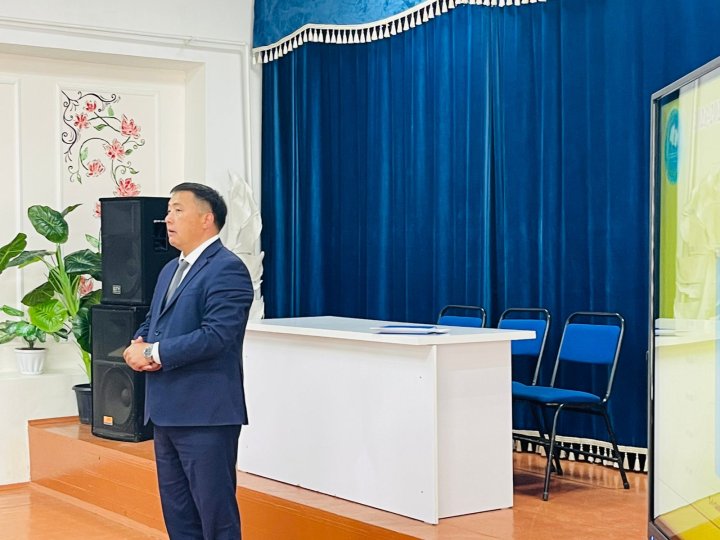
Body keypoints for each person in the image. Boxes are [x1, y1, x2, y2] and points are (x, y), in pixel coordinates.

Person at [123, 182, 253, 540]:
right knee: (179, 515)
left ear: (207, 219)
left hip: (205, 414)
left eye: (178, 210)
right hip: (165, 410)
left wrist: (154, 353)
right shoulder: (170, 269)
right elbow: (154, 321)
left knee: (215, 515)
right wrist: (139, 344)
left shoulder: (227, 269)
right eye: (168, 211)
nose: (168, 219)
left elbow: (217, 336)